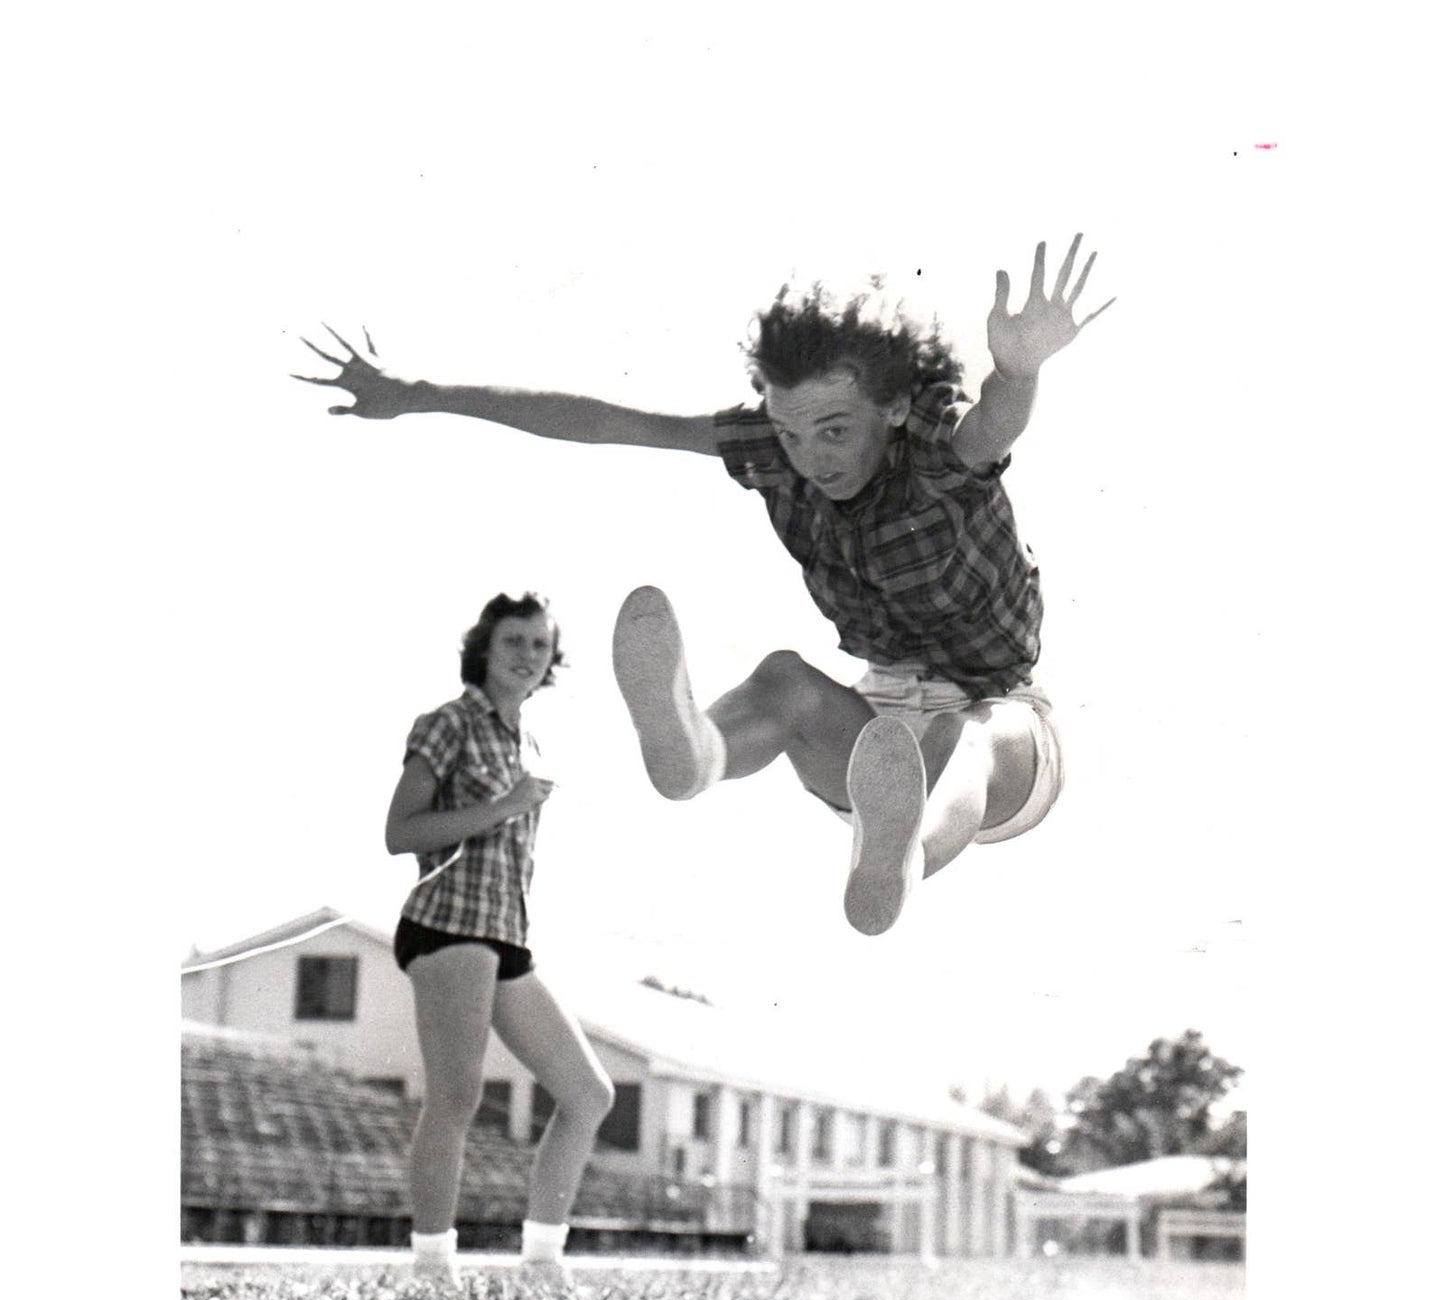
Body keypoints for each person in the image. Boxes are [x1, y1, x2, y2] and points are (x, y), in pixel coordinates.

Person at [300, 235, 1112, 935]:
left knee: (972, 730)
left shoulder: (935, 447)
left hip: (1002, 738)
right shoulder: (769, 448)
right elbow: (607, 420)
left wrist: (1017, 368)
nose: (810, 457)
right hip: (870, 739)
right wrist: (418, 396)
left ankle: (900, 859)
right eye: (791, 432)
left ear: (895, 407)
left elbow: (992, 426)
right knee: (785, 678)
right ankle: (697, 752)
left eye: (834, 430)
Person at [384, 592, 615, 1289]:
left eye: (539, 646)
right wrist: (504, 806)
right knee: (455, 1094)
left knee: (588, 1093)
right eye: (514, 641)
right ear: (484, 647)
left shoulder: (528, 743)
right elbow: (400, 832)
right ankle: (430, 1270)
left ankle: (542, 1263)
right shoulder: (449, 723)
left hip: (506, 933)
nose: (527, 656)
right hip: (447, 921)